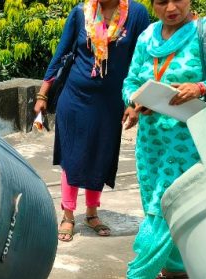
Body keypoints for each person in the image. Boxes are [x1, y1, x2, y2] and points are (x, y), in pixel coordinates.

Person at [120, 0, 206, 279]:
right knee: (153, 201)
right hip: (150, 141)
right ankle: (177, 266)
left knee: (164, 205)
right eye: (160, 1)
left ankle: (137, 277)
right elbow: (130, 81)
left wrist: (200, 88)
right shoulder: (147, 37)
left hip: (191, 137)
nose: (170, 7)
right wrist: (133, 101)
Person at [35, 0, 150, 242]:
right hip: (75, 98)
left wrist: (134, 102)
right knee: (72, 155)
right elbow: (62, 53)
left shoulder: (137, 14)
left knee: (101, 154)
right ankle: (68, 215)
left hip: (110, 102)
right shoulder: (80, 12)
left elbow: (142, 60)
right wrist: (42, 94)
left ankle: (92, 213)